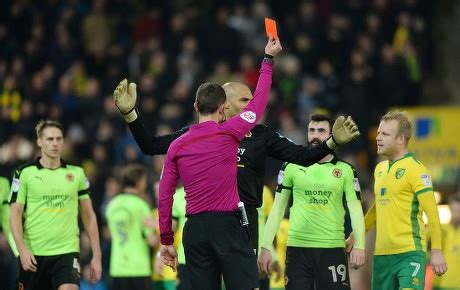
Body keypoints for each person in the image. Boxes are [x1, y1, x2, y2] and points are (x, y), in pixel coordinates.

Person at [113, 51, 360, 265]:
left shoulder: (263, 136)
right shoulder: (198, 135)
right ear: (225, 105)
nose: (251, 104)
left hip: (245, 221)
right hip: (209, 219)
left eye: (252, 99)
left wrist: (331, 143)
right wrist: (130, 114)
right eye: (244, 100)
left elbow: (303, 157)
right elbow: (151, 145)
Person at [154, 36, 282, 290]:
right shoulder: (230, 132)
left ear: (195, 106)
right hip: (228, 226)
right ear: (223, 108)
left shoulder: (177, 146)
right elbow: (258, 104)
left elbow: (165, 194)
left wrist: (166, 239)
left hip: (195, 231)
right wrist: (268, 59)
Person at [258, 114, 366, 290]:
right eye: (312, 130)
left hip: (332, 249)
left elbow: (355, 210)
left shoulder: (346, 170)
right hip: (297, 249)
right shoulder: (291, 166)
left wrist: (360, 245)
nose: (315, 135)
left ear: (334, 135)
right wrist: (265, 247)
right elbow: (277, 209)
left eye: (321, 131)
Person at [357, 110, 447, 290]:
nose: (378, 137)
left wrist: (436, 251)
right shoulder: (380, 169)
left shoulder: (417, 170)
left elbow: (432, 213)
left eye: (385, 134)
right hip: (382, 255)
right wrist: (357, 234)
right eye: (379, 132)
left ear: (400, 139)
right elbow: (378, 207)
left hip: (409, 253)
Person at [9, 120, 102, 290]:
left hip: (67, 252)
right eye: (50, 139)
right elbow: (14, 214)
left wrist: (97, 255)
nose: (55, 143)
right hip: (34, 253)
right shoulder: (24, 173)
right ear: (40, 142)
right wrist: (22, 250)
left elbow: (89, 215)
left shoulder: (77, 174)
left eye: (59, 139)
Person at [105, 163, 156, 290]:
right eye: (144, 181)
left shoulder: (112, 205)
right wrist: (158, 228)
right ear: (138, 182)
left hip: (117, 268)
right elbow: (152, 241)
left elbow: (110, 234)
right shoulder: (141, 205)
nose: (145, 184)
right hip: (138, 268)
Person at [430, 194, 460, 290]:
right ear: (450, 209)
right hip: (440, 283)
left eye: (459, 210)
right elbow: (420, 237)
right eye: (454, 210)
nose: (456, 213)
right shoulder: (439, 229)